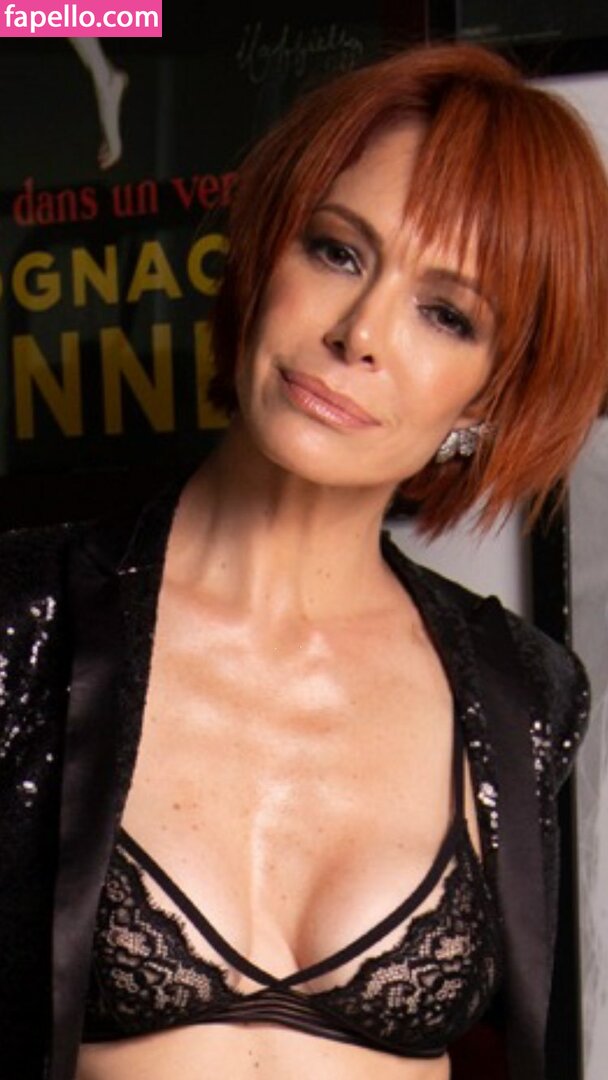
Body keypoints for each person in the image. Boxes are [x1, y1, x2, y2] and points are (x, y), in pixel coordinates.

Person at [0, 41, 607, 1080]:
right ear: (263, 257)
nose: (360, 332)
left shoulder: (522, 694)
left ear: (493, 396)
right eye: (336, 252)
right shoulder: (24, 620)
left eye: (445, 314)